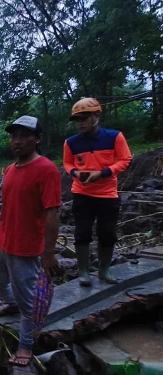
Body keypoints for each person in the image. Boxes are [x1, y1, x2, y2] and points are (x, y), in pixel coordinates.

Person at [0, 116, 60, 367]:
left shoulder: (46, 169)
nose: (17, 141)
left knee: (29, 303)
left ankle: (26, 346)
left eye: (24, 135)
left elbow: (52, 213)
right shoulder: (10, 169)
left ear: (37, 138)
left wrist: (48, 252)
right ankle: (12, 302)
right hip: (2, 240)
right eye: (13, 136)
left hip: (26, 248)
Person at [63, 98, 132, 286]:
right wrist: (76, 172)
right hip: (81, 193)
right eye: (77, 119)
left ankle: (104, 270)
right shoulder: (71, 143)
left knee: (107, 232)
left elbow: (125, 159)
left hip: (107, 194)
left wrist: (102, 173)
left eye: (84, 118)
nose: (80, 122)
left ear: (97, 115)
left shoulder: (114, 137)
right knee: (82, 233)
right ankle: (83, 271)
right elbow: (68, 163)